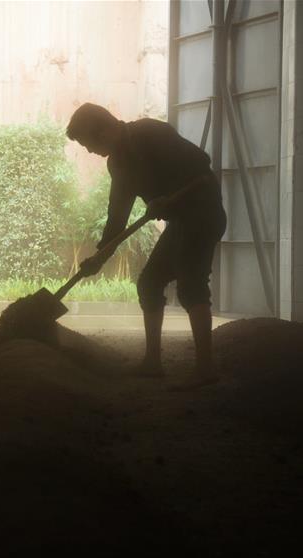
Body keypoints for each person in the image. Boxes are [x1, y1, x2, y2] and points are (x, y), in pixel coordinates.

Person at [67, 104, 227, 390]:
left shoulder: (150, 132)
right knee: (150, 282)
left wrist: (167, 198)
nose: (90, 151)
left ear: (104, 130)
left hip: (203, 213)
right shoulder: (117, 163)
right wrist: (100, 256)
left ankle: (205, 368)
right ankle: (152, 363)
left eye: (89, 143)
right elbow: (117, 214)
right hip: (180, 222)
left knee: (191, 284)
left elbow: (201, 163)